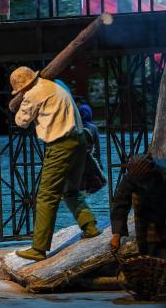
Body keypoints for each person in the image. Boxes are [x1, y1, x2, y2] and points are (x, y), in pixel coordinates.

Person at [10, 67, 100, 261]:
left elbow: (21, 121)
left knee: (46, 196)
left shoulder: (32, 94)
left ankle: (39, 248)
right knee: (71, 190)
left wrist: (21, 101)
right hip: (79, 140)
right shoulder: (58, 84)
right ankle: (90, 226)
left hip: (60, 145)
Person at [109, 155, 166, 258]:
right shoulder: (129, 177)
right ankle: (149, 253)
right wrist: (116, 235)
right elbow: (120, 204)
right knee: (146, 222)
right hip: (145, 192)